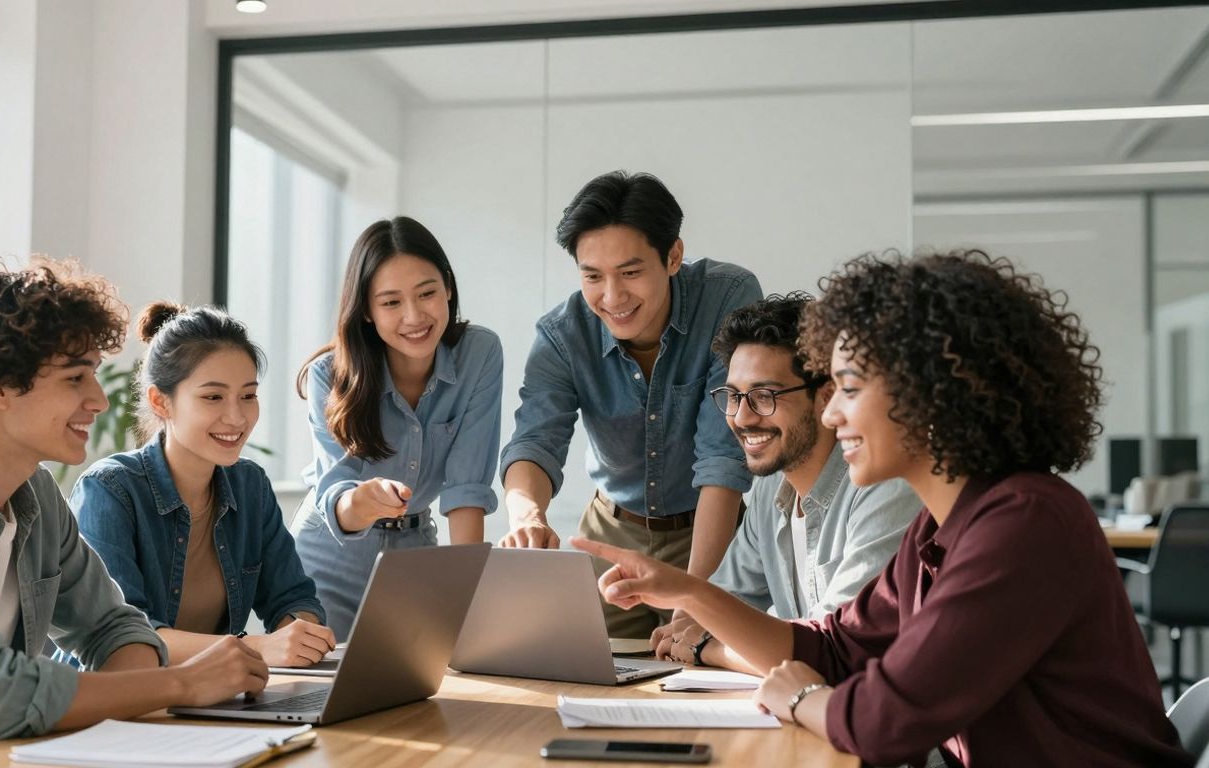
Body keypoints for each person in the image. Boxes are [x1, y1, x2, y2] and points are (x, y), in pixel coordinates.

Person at [576, 249, 1194, 767]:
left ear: (928, 393)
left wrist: (799, 699)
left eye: (848, 389)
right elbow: (839, 649)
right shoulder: (943, 524)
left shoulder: (1026, 521)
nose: (833, 413)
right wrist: (685, 590)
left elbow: (885, 719)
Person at [0, 258, 268, 768]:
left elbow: (113, 628)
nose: (98, 400)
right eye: (75, 378)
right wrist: (181, 682)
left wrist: (124, 716)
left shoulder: (35, 494)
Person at [498, 170, 763, 638]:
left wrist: (694, 599)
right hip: (611, 534)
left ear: (673, 255)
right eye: (593, 276)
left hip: (709, 527)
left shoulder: (728, 298)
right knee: (592, 672)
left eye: (631, 272)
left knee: (705, 675)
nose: (613, 297)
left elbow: (722, 457)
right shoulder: (562, 335)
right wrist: (527, 516)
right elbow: (535, 441)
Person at [652, 293, 918, 668]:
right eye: (732, 396)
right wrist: (685, 627)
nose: (742, 417)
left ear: (826, 398)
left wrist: (706, 650)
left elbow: (836, 654)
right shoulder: (768, 489)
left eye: (764, 396)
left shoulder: (885, 487)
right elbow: (720, 606)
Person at [72, 303, 334, 667]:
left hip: (209, 694)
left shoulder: (250, 486)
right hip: (114, 702)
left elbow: (292, 598)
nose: (237, 416)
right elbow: (125, 636)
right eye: (213, 397)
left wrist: (298, 633)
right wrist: (257, 648)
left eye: (248, 395)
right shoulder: (109, 490)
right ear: (160, 401)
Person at [295, 216, 503, 640]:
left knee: (420, 689)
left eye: (426, 293)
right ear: (367, 311)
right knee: (322, 695)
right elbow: (335, 494)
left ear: (448, 286)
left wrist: (470, 598)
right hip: (327, 559)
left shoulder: (479, 354)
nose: (414, 316)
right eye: (390, 302)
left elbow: (468, 488)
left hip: (413, 554)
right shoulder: (328, 375)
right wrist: (364, 502)